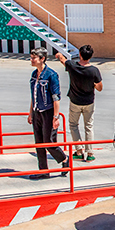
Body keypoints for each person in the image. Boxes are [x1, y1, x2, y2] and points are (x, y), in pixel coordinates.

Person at [55, 45, 103, 162]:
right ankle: (90, 153)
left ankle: (79, 151)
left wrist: (59, 55)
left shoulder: (72, 66)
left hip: (75, 101)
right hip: (89, 102)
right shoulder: (94, 71)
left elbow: (63, 60)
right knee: (89, 126)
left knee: (73, 125)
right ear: (90, 56)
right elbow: (100, 87)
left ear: (80, 55)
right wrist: (93, 84)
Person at [28, 47, 69, 179]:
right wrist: (30, 113)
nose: (31, 60)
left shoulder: (51, 75)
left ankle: (64, 159)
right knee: (39, 143)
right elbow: (33, 95)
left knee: (49, 141)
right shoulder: (34, 75)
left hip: (48, 112)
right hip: (36, 112)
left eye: (34, 58)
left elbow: (56, 97)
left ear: (42, 59)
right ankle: (43, 171)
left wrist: (56, 117)